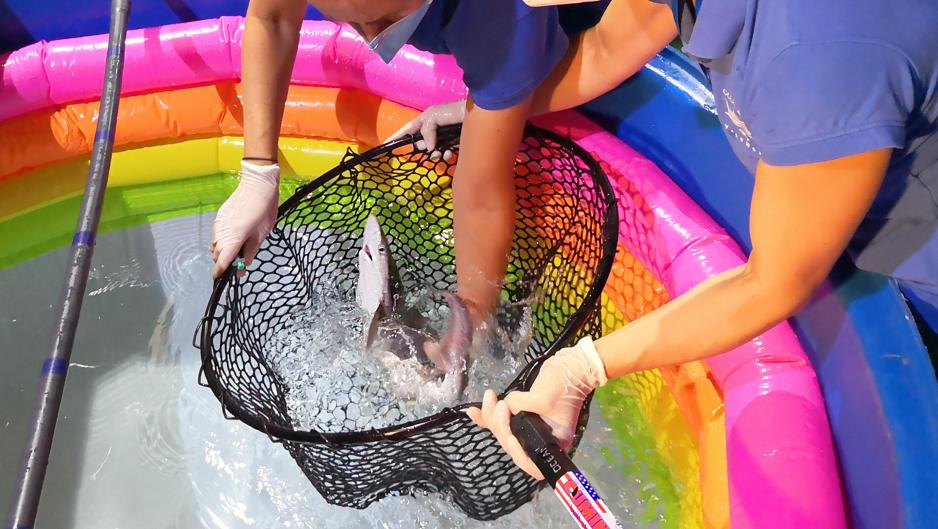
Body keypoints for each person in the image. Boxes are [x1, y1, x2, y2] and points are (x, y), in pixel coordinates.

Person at [420, 0, 936, 480]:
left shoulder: (815, 53)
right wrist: (486, 117)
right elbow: (604, 49)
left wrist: (583, 367)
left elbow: (773, 283)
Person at [210, 0, 606, 330]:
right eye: (345, 20)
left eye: (385, 22)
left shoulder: (501, 19)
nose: (370, 39)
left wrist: (471, 323)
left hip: (589, 28)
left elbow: (482, 196)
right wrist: (259, 170)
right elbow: (274, 16)